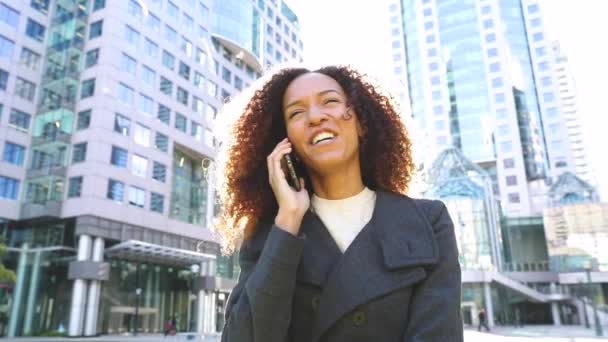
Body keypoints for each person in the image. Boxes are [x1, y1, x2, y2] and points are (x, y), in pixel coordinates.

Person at [215, 65, 463, 342]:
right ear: (286, 142)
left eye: (330, 101)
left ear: (361, 122)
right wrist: (288, 220)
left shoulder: (429, 221)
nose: (316, 117)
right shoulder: (270, 234)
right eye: (296, 113)